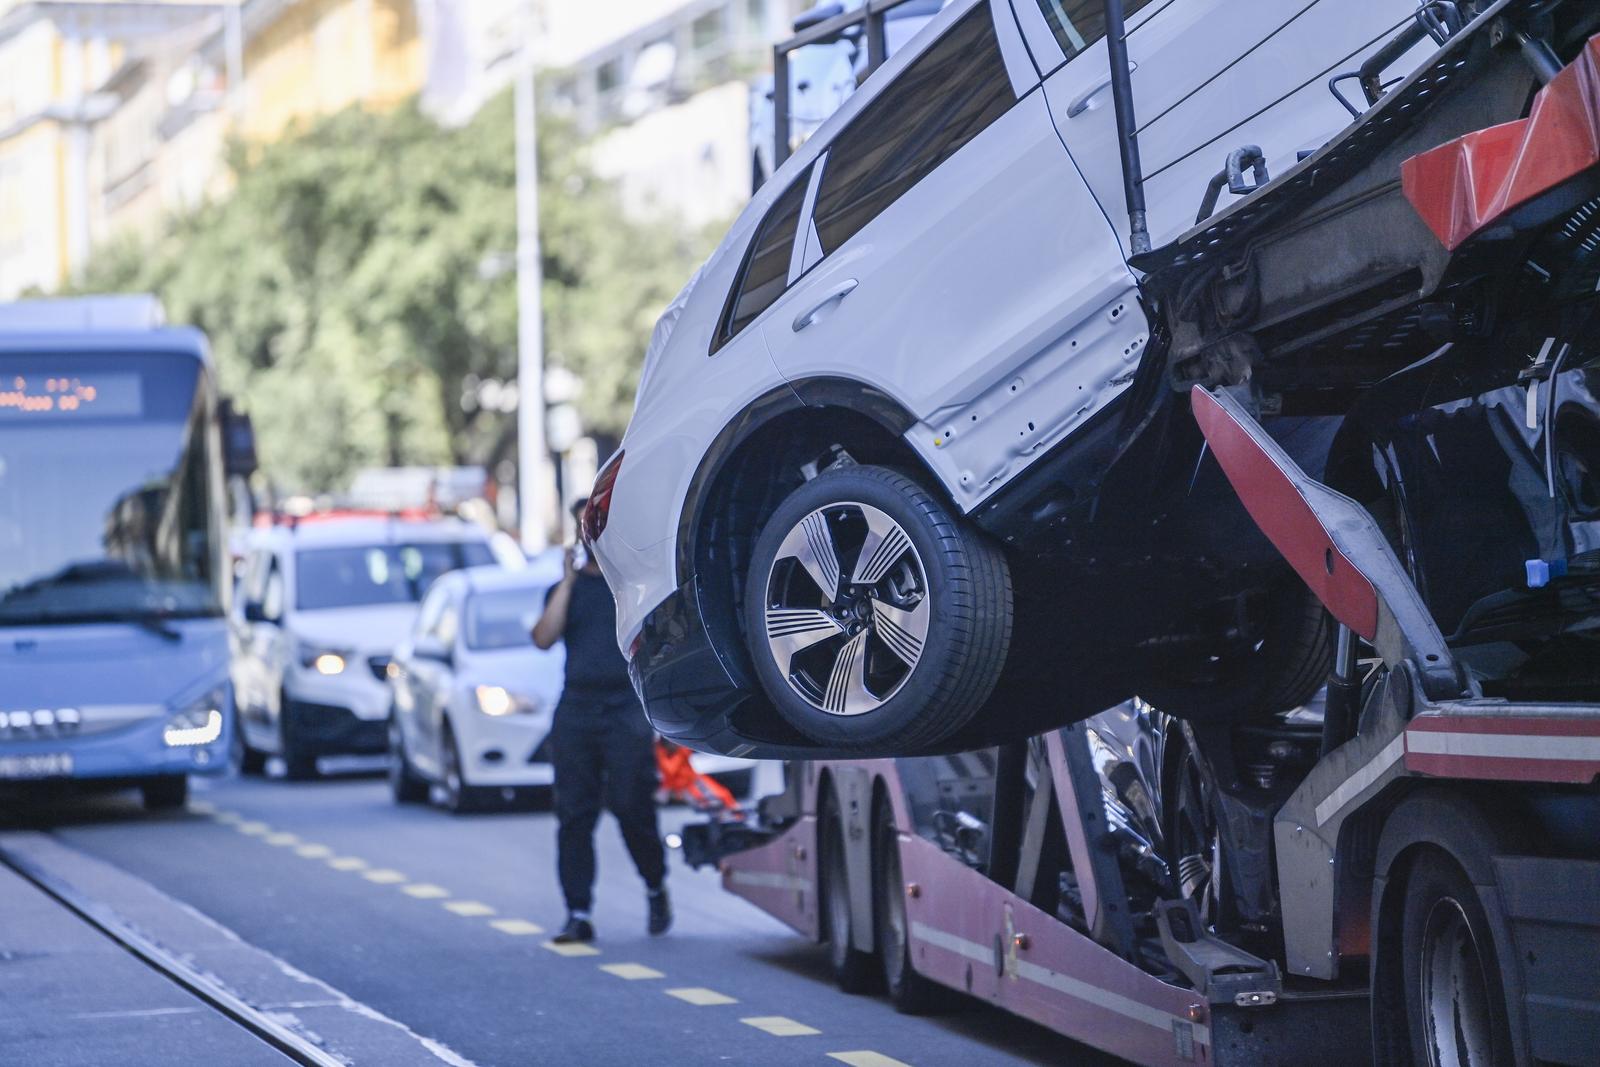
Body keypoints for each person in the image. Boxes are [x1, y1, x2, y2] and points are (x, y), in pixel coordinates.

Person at [532, 497, 670, 943]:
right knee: (574, 814)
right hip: (576, 709)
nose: (587, 537)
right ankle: (577, 912)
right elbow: (542, 638)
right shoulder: (565, 590)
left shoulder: (630, 586)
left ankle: (654, 885)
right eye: (580, 529)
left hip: (625, 708)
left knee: (632, 805)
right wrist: (568, 581)